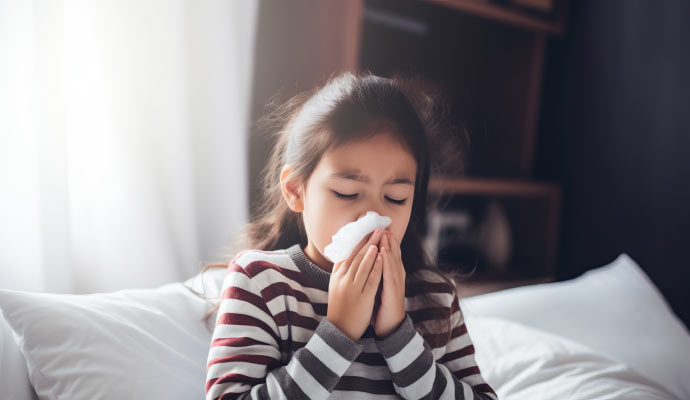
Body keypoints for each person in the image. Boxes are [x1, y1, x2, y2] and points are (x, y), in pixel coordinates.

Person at [200, 71, 497, 399]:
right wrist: (338, 333)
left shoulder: (436, 296)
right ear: (296, 190)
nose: (372, 216)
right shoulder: (262, 283)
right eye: (346, 192)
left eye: (396, 198)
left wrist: (399, 336)